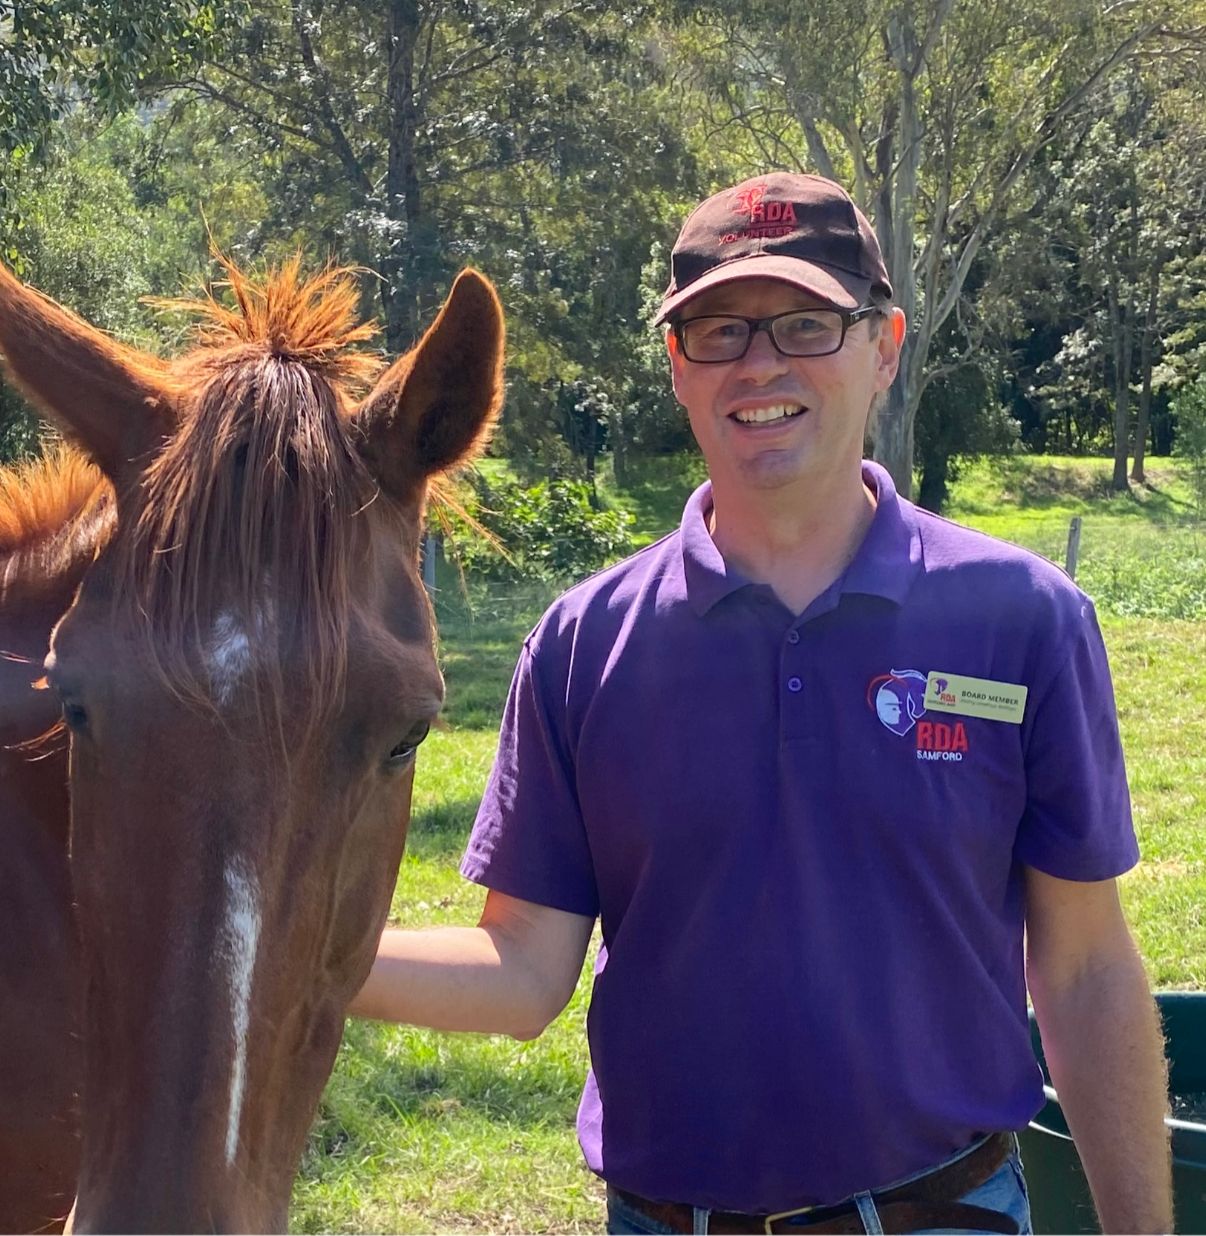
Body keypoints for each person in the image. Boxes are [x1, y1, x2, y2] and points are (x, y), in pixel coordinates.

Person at [350, 172, 1173, 1234]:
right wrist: (284, 958)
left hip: (945, 1217)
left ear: (885, 345)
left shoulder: (1024, 622)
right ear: (677, 372)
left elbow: (1086, 964)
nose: (760, 364)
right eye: (719, 332)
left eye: (804, 324)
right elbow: (521, 970)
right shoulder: (584, 645)